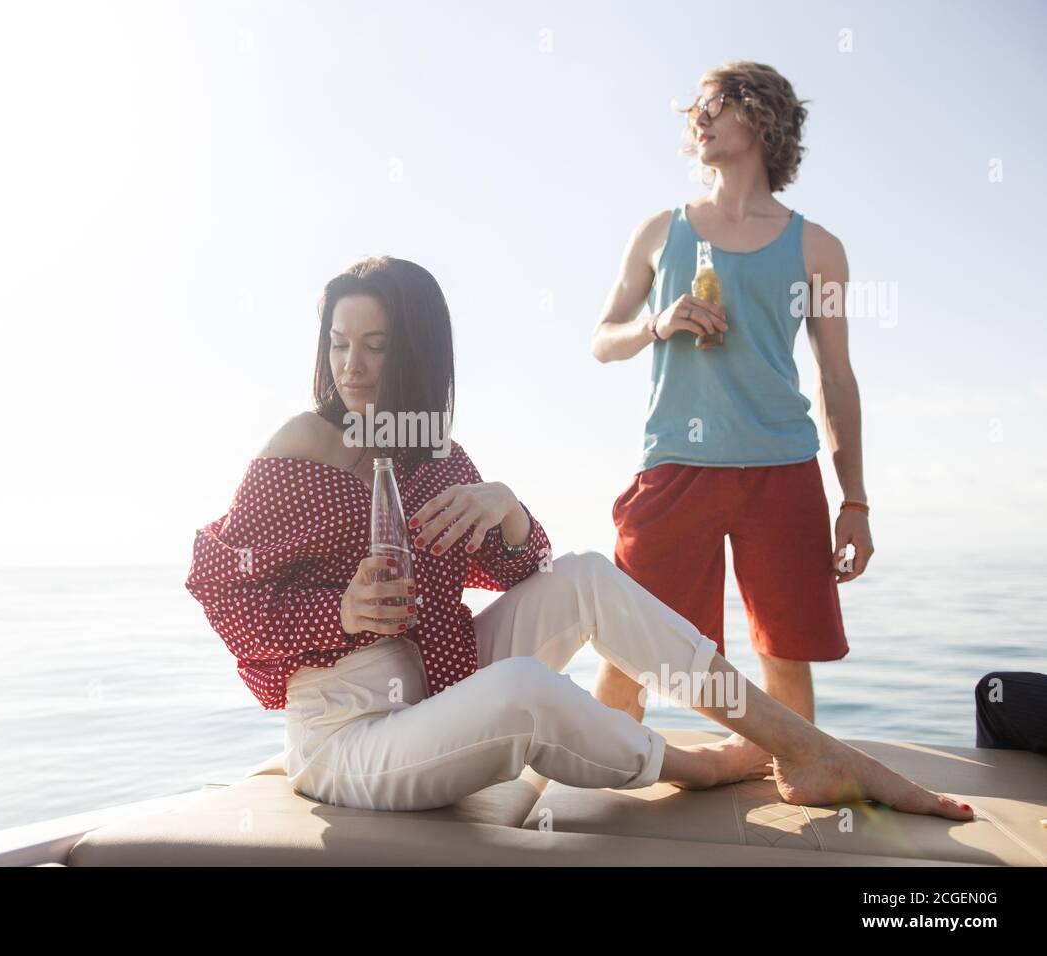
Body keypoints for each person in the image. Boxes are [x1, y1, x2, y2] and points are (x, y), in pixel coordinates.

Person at [185, 254, 972, 821]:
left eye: (375, 344)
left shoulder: (437, 453)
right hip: (345, 733)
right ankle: (692, 766)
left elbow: (523, 568)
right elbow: (223, 591)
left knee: (589, 574)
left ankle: (798, 743)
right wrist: (343, 615)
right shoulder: (300, 449)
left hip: (439, 682)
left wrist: (510, 509)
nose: (351, 366)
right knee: (525, 691)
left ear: (416, 349)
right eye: (338, 343)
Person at [590, 61, 868, 733]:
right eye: (695, 112)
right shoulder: (661, 232)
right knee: (633, 652)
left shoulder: (820, 249)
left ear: (760, 113)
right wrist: (656, 323)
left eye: (714, 104)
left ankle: (801, 782)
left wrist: (854, 500)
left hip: (782, 467)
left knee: (786, 653)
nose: (700, 119)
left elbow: (836, 376)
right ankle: (588, 786)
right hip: (675, 465)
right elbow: (602, 339)